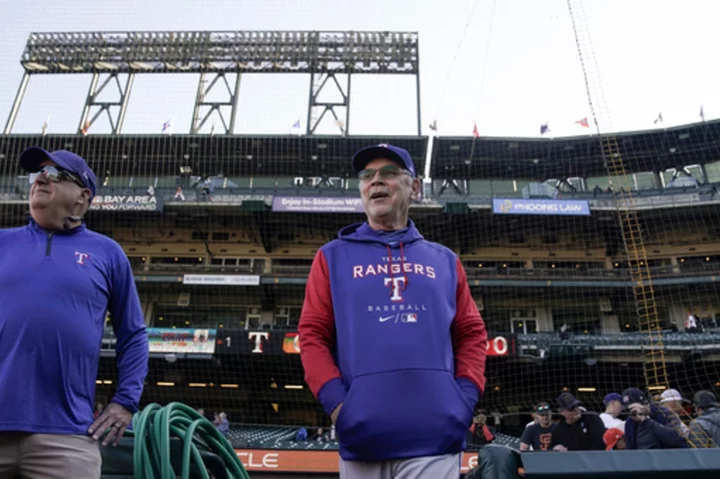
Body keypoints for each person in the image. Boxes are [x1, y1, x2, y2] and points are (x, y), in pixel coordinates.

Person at [298, 143, 487, 479]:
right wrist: (339, 407)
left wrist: (465, 398)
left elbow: (471, 333)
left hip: (435, 436)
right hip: (362, 435)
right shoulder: (331, 257)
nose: (376, 181)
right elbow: (312, 335)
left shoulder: (445, 261)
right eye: (367, 176)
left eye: (388, 174)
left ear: (414, 187)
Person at [0, 147, 149, 478]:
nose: (40, 179)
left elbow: (134, 334)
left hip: (67, 436)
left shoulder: (107, 253)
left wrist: (125, 401)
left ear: (83, 197)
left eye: (53, 174)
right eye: (36, 174)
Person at [621, 387, 686, 450]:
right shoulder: (630, 422)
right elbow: (630, 449)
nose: (631, 412)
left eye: (633, 408)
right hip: (642, 459)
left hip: (667, 458)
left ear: (644, 403)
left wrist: (646, 421)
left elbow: (675, 439)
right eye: (628, 409)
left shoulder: (665, 413)